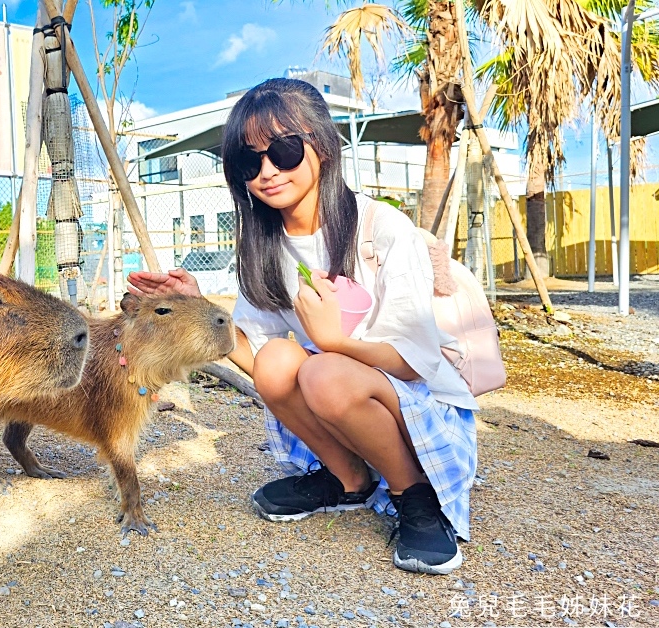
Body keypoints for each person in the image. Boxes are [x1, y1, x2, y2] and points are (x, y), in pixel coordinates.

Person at [127, 78, 478, 575]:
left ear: (322, 144)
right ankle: (348, 478)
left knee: (324, 371)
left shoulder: (379, 227)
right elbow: (259, 359)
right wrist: (197, 306)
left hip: (421, 404)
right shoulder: (267, 245)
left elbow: (416, 363)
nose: (267, 171)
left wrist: (334, 341)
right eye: (249, 163)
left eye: (284, 151)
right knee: (279, 361)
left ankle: (415, 495)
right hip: (344, 394)